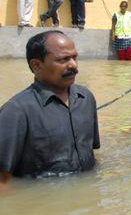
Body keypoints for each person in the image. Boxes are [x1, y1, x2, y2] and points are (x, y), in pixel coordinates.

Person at [0, 31, 99, 182]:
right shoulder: (16, 111)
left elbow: (91, 153)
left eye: (74, 57)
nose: (73, 65)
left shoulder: (85, 99)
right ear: (37, 66)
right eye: (63, 59)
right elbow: (3, 178)